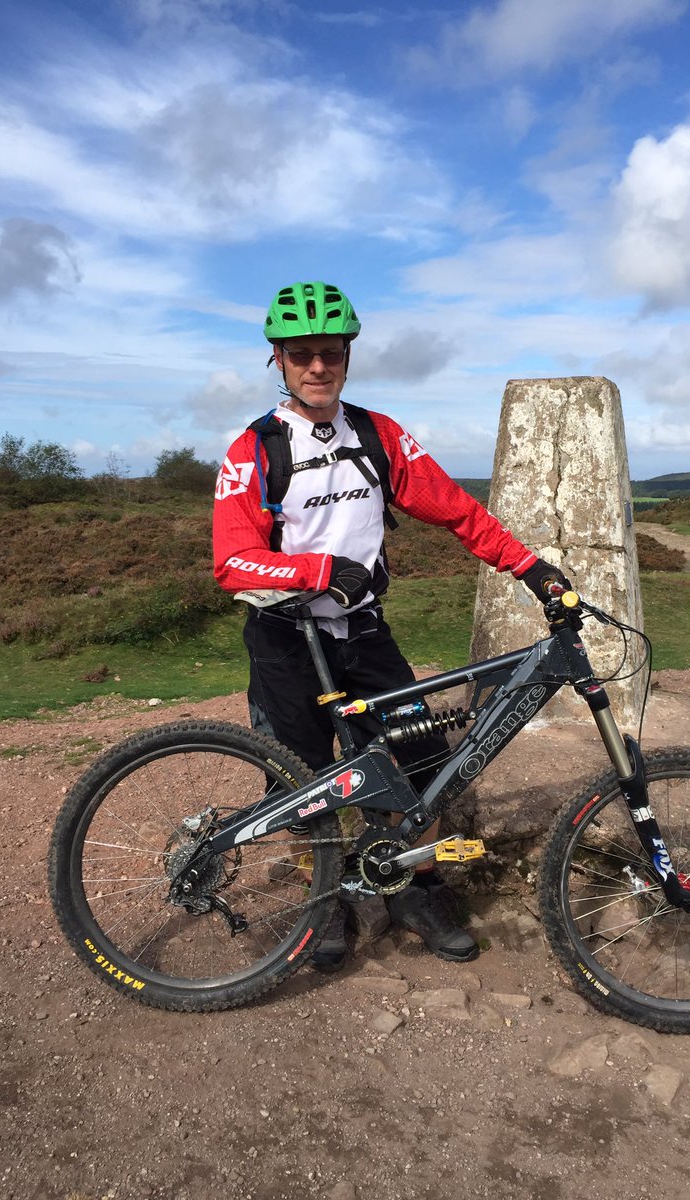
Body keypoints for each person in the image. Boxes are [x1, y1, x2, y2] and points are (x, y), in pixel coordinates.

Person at [213, 280, 569, 970]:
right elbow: (232, 561)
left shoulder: (378, 436)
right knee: (303, 780)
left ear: (347, 357)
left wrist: (531, 567)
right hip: (287, 640)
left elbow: (459, 511)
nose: (318, 366)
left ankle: (416, 888)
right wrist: (321, 571)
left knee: (424, 762)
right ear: (279, 362)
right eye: (302, 354)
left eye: (331, 354)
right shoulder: (252, 450)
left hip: (364, 634)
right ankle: (325, 903)